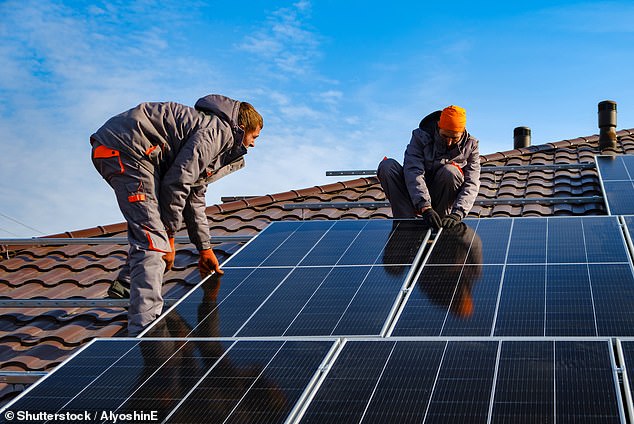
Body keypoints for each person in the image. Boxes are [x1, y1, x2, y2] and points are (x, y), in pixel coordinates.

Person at [90, 94, 263, 336]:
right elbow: (177, 182)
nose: (254, 144)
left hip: (134, 152)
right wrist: (170, 237)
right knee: (154, 241)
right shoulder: (216, 133)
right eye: (254, 137)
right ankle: (147, 331)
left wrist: (204, 249)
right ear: (241, 127)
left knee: (149, 224)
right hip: (128, 149)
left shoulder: (213, 138)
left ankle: (126, 284)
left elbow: (194, 197)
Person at [377, 105, 480, 229]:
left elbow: (472, 182)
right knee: (387, 167)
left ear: (462, 132)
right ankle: (405, 224)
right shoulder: (420, 136)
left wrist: (458, 213)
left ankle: (440, 225)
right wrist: (425, 206)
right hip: (414, 195)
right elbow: (414, 171)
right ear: (438, 126)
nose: (449, 142)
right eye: (445, 136)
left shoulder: (471, 145)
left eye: (454, 138)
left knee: (450, 171)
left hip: (442, 198)